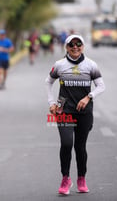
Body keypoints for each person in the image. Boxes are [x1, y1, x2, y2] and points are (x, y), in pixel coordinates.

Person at [45, 34, 105, 195]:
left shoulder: (91, 65)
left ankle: (81, 178)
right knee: (66, 144)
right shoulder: (60, 65)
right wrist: (51, 102)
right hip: (64, 111)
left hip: (84, 113)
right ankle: (65, 179)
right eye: (71, 45)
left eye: (79, 44)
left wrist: (89, 97)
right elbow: (48, 82)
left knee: (80, 147)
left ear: (83, 46)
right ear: (66, 47)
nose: (75, 47)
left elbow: (101, 86)